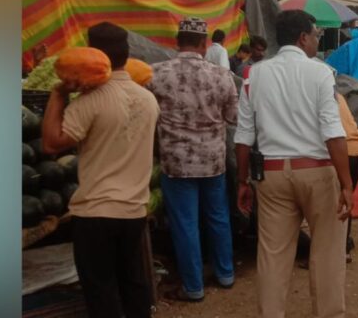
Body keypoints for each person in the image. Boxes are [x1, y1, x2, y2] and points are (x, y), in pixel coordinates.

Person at [234, 10, 353, 318]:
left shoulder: (253, 75)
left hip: (272, 175)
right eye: (315, 34)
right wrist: (347, 183)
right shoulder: (320, 72)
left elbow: (244, 135)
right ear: (303, 37)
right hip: (316, 171)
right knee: (327, 254)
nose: (317, 40)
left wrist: (243, 181)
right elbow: (332, 130)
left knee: (273, 257)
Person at [40, 22, 160, 318]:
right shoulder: (148, 99)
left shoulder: (90, 102)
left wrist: (58, 95)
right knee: (134, 285)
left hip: (95, 212)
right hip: (134, 211)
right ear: (126, 53)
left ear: (92, 55)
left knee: (101, 290)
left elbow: (51, 143)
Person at [148, 18, 238, 302]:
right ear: (204, 43)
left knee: (185, 223)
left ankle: (193, 286)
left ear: (177, 41)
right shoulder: (222, 76)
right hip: (213, 161)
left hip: (176, 164)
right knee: (218, 217)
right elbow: (233, 118)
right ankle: (225, 274)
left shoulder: (155, 74)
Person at [296, 92, 358, 265]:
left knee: (329, 207)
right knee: (344, 200)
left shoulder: (314, 96)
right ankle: (344, 250)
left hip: (342, 152)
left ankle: (324, 255)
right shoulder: (338, 95)